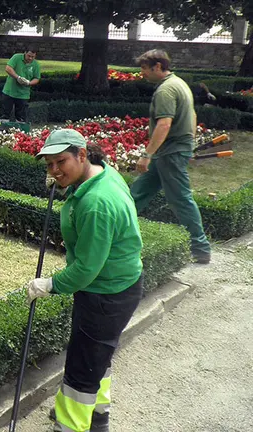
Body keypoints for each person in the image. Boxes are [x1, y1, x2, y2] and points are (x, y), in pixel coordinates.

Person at [26, 129, 144, 432]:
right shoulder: (101, 174)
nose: (54, 171)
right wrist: (66, 184)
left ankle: (71, 425)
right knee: (96, 359)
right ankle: (96, 417)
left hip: (105, 294)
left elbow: (87, 269)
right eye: (49, 165)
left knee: (81, 370)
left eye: (60, 162)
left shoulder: (96, 204)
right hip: (118, 288)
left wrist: (50, 285)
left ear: (81, 154)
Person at [130, 49, 212, 264]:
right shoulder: (179, 83)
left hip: (170, 152)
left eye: (145, 68)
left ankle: (200, 247)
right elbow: (192, 115)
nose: (142, 73)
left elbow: (164, 124)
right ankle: (114, 230)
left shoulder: (165, 90)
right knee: (137, 193)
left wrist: (147, 154)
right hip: (172, 151)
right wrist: (189, 144)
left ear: (157, 67)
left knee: (180, 199)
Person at [1, 49, 41, 123]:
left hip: (23, 94)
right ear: (25, 53)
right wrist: (17, 77)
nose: (30, 58)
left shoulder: (36, 64)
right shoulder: (16, 57)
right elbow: (8, 68)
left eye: (33, 57)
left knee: (21, 118)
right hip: (9, 91)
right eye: (29, 56)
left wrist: (29, 83)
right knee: (4, 116)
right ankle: (2, 131)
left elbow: (37, 78)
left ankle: (19, 133)